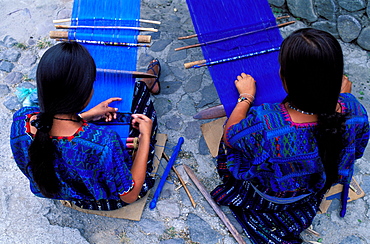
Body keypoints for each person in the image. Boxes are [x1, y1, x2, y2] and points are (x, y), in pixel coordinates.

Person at [210, 28, 369, 243]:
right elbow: (354, 149)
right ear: (339, 77)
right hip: (312, 188)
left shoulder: (266, 124)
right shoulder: (355, 110)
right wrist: (344, 96)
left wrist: (246, 97)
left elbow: (230, 136)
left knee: (235, 140)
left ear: (283, 80)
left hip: (273, 194)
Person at [10, 42, 160, 210]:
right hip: (99, 199)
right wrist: (145, 137)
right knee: (140, 95)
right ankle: (147, 85)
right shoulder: (104, 143)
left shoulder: (21, 120)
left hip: (61, 190)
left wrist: (86, 116)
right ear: (85, 94)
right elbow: (129, 195)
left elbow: (51, 131)